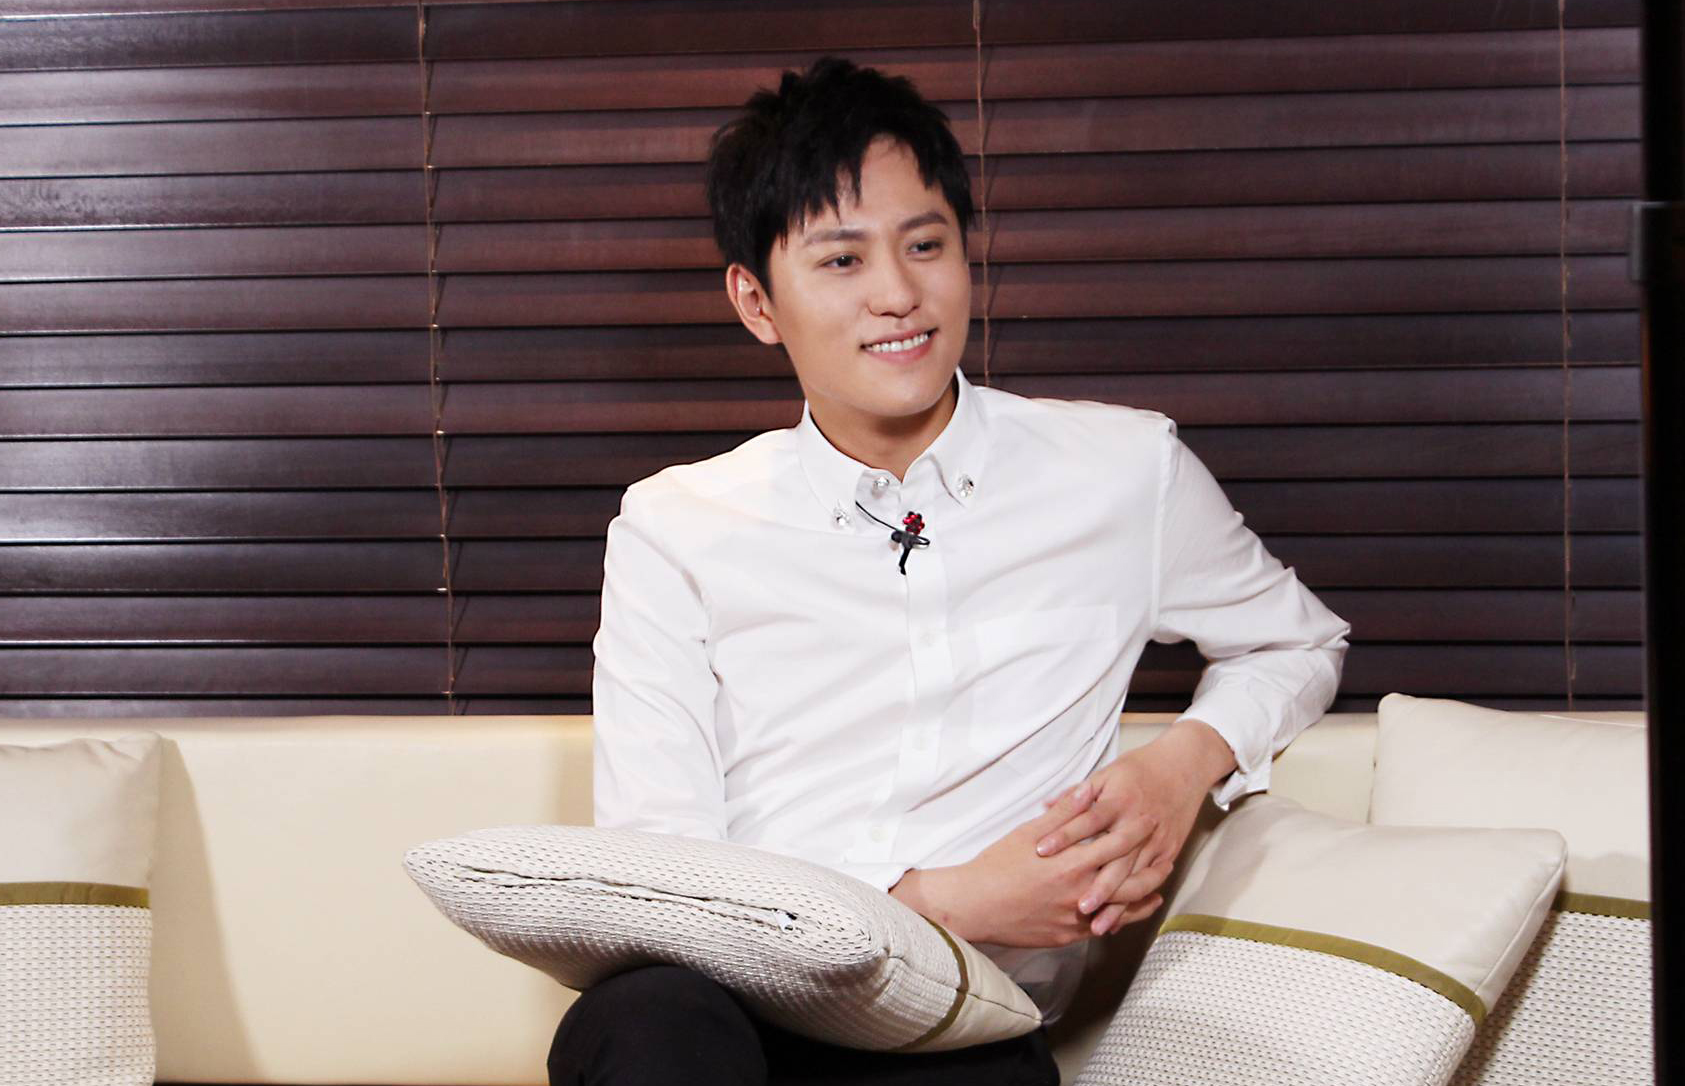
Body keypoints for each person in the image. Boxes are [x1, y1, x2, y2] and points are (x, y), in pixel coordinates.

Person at [548, 56, 1351, 1086]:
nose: (897, 295)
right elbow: (662, 876)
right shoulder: (676, 527)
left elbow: (1296, 641)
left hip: (960, 1022)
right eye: (841, 261)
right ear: (756, 301)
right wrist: (940, 900)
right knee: (647, 1025)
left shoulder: (1120, 471)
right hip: (726, 1015)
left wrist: (1182, 765)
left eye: (924, 245)